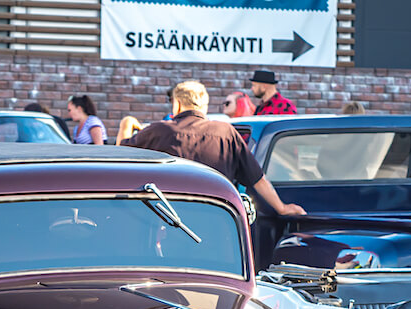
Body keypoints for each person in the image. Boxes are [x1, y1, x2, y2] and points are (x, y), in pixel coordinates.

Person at [125, 80, 305, 217]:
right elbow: (257, 178)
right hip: (216, 218)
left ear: (177, 104)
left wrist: (126, 124)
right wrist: (282, 208)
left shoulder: (158, 131)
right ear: (204, 106)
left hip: (167, 219)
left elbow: (120, 159)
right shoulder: (226, 132)